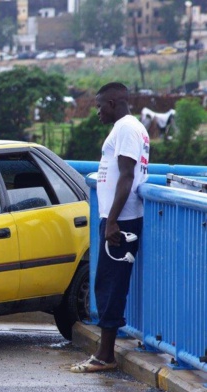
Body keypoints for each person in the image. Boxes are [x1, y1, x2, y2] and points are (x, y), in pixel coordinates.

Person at [71, 82, 149, 373]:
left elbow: (127, 176)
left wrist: (113, 220)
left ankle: (105, 356)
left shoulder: (127, 128)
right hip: (118, 218)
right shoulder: (130, 127)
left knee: (110, 286)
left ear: (114, 103)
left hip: (122, 221)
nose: (97, 111)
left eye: (100, 105)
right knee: (107, 283)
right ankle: (105, 353)